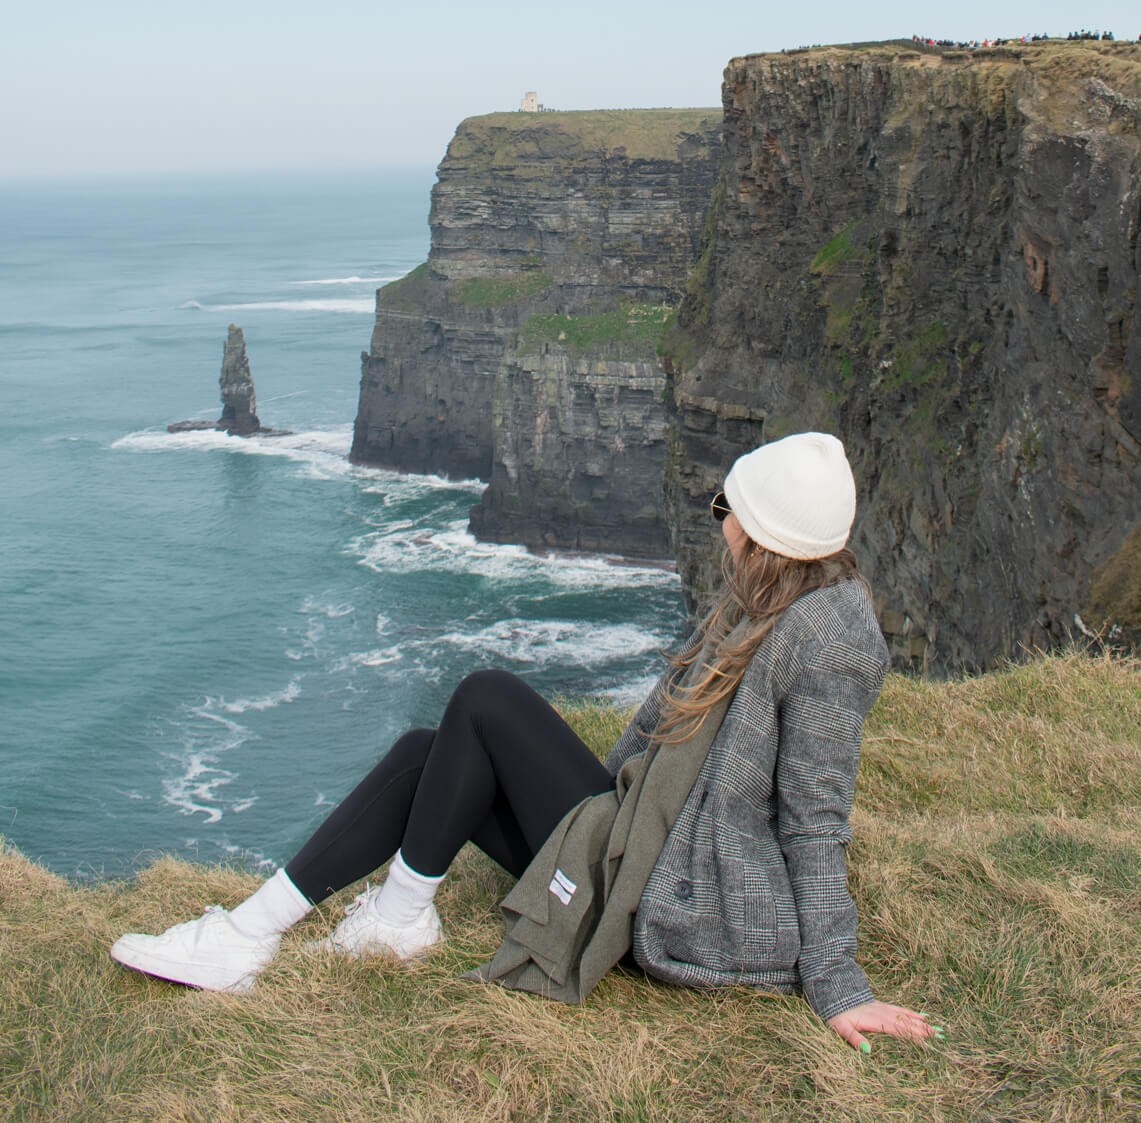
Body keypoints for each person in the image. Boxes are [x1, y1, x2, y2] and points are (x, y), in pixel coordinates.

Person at [111, 433, 937, 1052]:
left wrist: (836, 983)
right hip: (637, 834)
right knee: (423, 748)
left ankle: (390, 919)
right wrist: (590, 808)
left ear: (767, 537)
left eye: (730, 512)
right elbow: (657, 738)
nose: (719, 525)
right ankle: (250, 930)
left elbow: (816, 818)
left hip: (682, 897)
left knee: (484, 697)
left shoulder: (829, 638)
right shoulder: (761, 595)